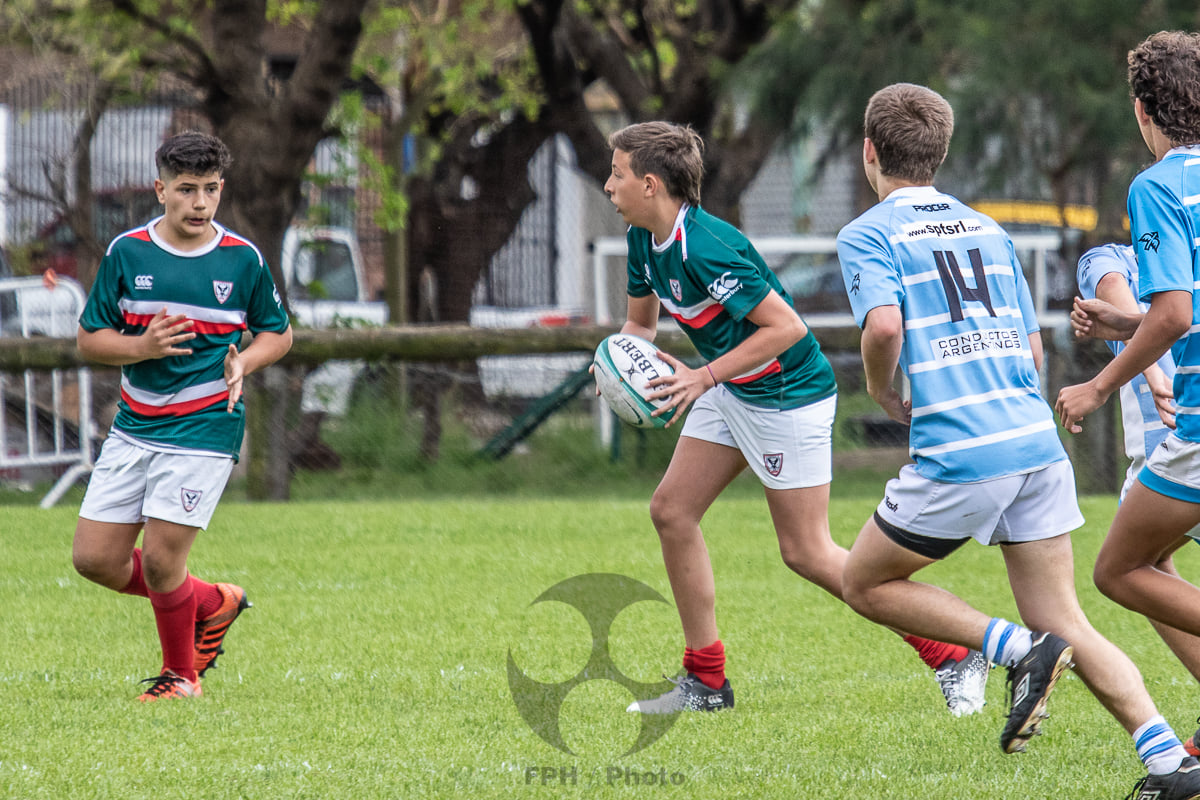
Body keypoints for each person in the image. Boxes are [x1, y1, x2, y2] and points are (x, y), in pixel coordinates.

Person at [836, 82, 1200, 796]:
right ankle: (1168, 760)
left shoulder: (869, 232)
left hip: (962, 448)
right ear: (941, 153)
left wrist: (884, 391)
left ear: (869, 154)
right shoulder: (986, 226)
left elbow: (883, 328)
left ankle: (1017, 649)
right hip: (1033, 441)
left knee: (864, 580)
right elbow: (1033, 349)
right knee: (1065, 614)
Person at [603, 120, 989, 717]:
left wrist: (702, 376)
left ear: (650, 184)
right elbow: (639, 328)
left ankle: (952, 652)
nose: (608, 184)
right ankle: (705, 681)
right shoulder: (639, 239)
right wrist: (614, 365)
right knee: (672, 511)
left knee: (807, 552)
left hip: (788, 394)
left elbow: (786, 329)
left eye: (617, 172)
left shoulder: (707, 246)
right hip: (731, 390)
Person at [71, 131, 293, 702]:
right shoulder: (128, 253)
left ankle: (181, 677)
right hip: (135, 423)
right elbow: (91, 340)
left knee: (166, 559)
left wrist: (246, 359)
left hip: (205, 424)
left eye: (211, 190)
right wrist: (140, 349)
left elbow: (279, 333)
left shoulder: (241, 259)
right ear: (160, 189)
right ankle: (212, 603)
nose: (200, 203)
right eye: (187, 189)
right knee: (94, 560)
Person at [1056, 32, 1200, 780]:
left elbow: (1175, 314)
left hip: (1198, 427)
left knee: (1121, 569)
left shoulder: (1161, 183)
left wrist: (1099, 383)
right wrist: (1123, 326)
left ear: (1143, 111)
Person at [1074, 244, 1200, 685]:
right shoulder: (1110, 259)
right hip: (1166, 452)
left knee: (1127, 569)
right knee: (1146, 565)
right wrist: (1150, 364)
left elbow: (1167, 320)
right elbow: (1119, 294)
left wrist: (1109, 382)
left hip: (1179, 450)